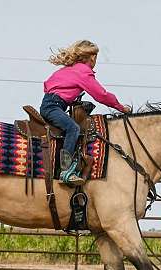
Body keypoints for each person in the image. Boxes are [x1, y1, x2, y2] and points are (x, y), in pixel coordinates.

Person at [40, 40, 131, 185]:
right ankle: (65, 170)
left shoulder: (67, 70)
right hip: (54, 106)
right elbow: (101, 95)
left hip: (51, 104)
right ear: (92, 57)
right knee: (73, 128)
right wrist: (120, 107)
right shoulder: (83, 73)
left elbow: (48, 86)